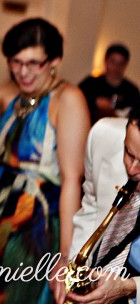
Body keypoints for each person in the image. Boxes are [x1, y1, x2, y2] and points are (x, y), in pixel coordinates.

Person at [0, 18, 90, 303]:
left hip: (33, 224)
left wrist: (66, 256)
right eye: (16, 62)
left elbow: (72, 180)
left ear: (55, 60)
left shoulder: (68, 99)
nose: (23, 72)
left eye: (33, 63)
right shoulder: (10, 94)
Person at [65, 109, 140, 304]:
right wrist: (73, 274)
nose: (132, 169)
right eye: (129, 153)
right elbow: (91, 207)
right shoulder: (102, 136)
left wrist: (131, 287)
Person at [80, 44, 140, 123]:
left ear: (126, 65)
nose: (116, 67)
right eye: (113, 62)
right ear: (105, 61)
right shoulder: (90, 83)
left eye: (121, 63)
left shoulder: (132, 91)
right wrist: (95, 102)